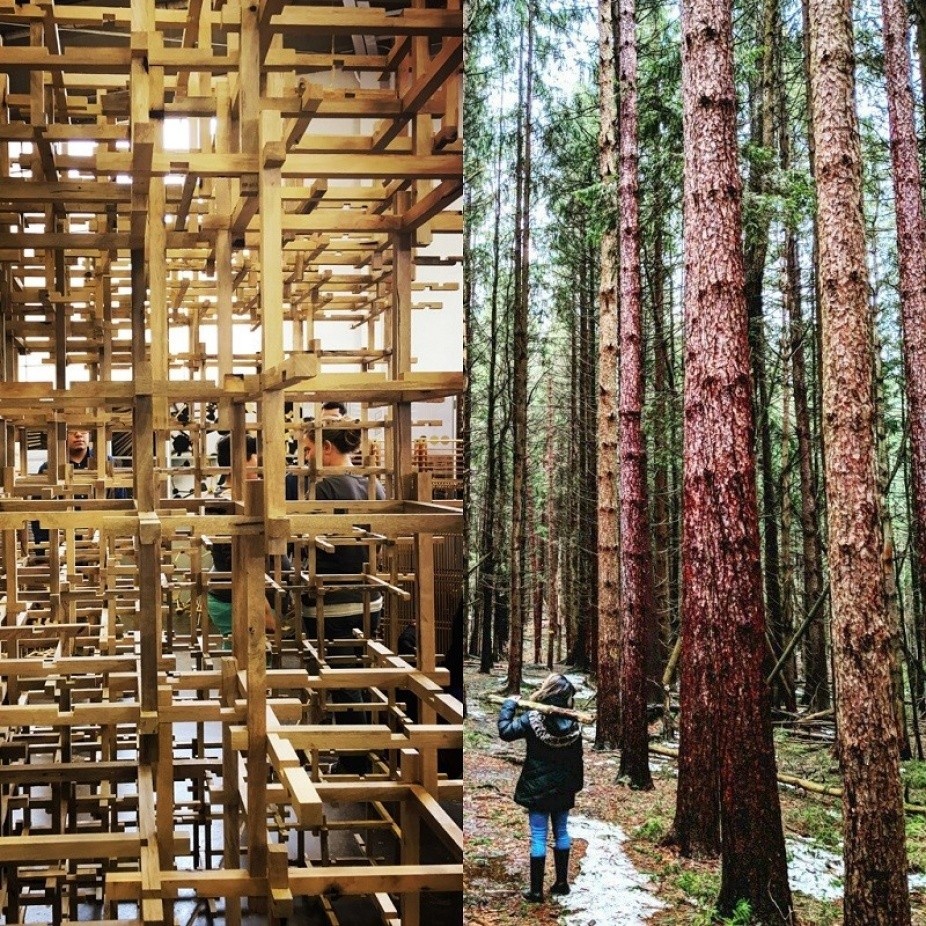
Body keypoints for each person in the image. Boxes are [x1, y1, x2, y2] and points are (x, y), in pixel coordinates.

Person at [301, 424, 384, 773]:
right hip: (370, 597)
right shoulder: (373, 484)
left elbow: (305, 538)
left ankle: (355, 760)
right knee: (356, 676)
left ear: (327, 449)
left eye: (308, 449)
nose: (305, 456)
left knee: (342, 680)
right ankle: (357, 752)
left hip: (333, 600)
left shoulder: (324, 487)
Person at [497, 673, 584, 903]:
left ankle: (536, 891)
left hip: (537, 788)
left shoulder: (532, 718)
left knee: (538, 835)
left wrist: (509, 705)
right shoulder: (574, 723)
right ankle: (562, 883)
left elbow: (505, 732)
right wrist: (575, 785)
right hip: (564, 788)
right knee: (561, 832)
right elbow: (578, 758)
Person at [206, 434, 286, 638]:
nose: (261, 464)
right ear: (244, 460)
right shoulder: (226, 502)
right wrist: (263, 606)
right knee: (247, 653)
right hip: (239, 598)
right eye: (257, 457)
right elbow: (234, 561)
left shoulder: (232, 497)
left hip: (240, 595)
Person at [33, 428, 130, 546]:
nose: (78, 434)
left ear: (90, 434)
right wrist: (43, 550)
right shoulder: (49, 468)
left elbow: (120, 504)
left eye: (83, 430)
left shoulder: (108, 463)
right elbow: (39, 513)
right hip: (62, 544)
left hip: (101, 541)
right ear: (63, 434)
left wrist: (118, 544)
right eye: (72, 430)